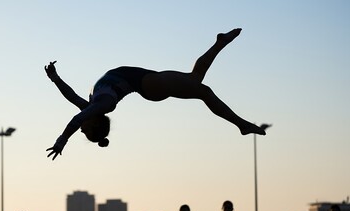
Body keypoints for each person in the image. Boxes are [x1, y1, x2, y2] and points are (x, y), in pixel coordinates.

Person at [45, 28, 267, 159]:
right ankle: (242, 125)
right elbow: (77, 119)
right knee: (204, 91)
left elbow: (72, 98)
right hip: (149, 85)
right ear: (94, 125)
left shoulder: (93, 107)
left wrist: (55, 79)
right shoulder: (105, 105)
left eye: (82, 132)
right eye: (85, 133)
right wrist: (63, 139)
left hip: (149, 81)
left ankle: (219, 44)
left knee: (196, 79)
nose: (81, 130)